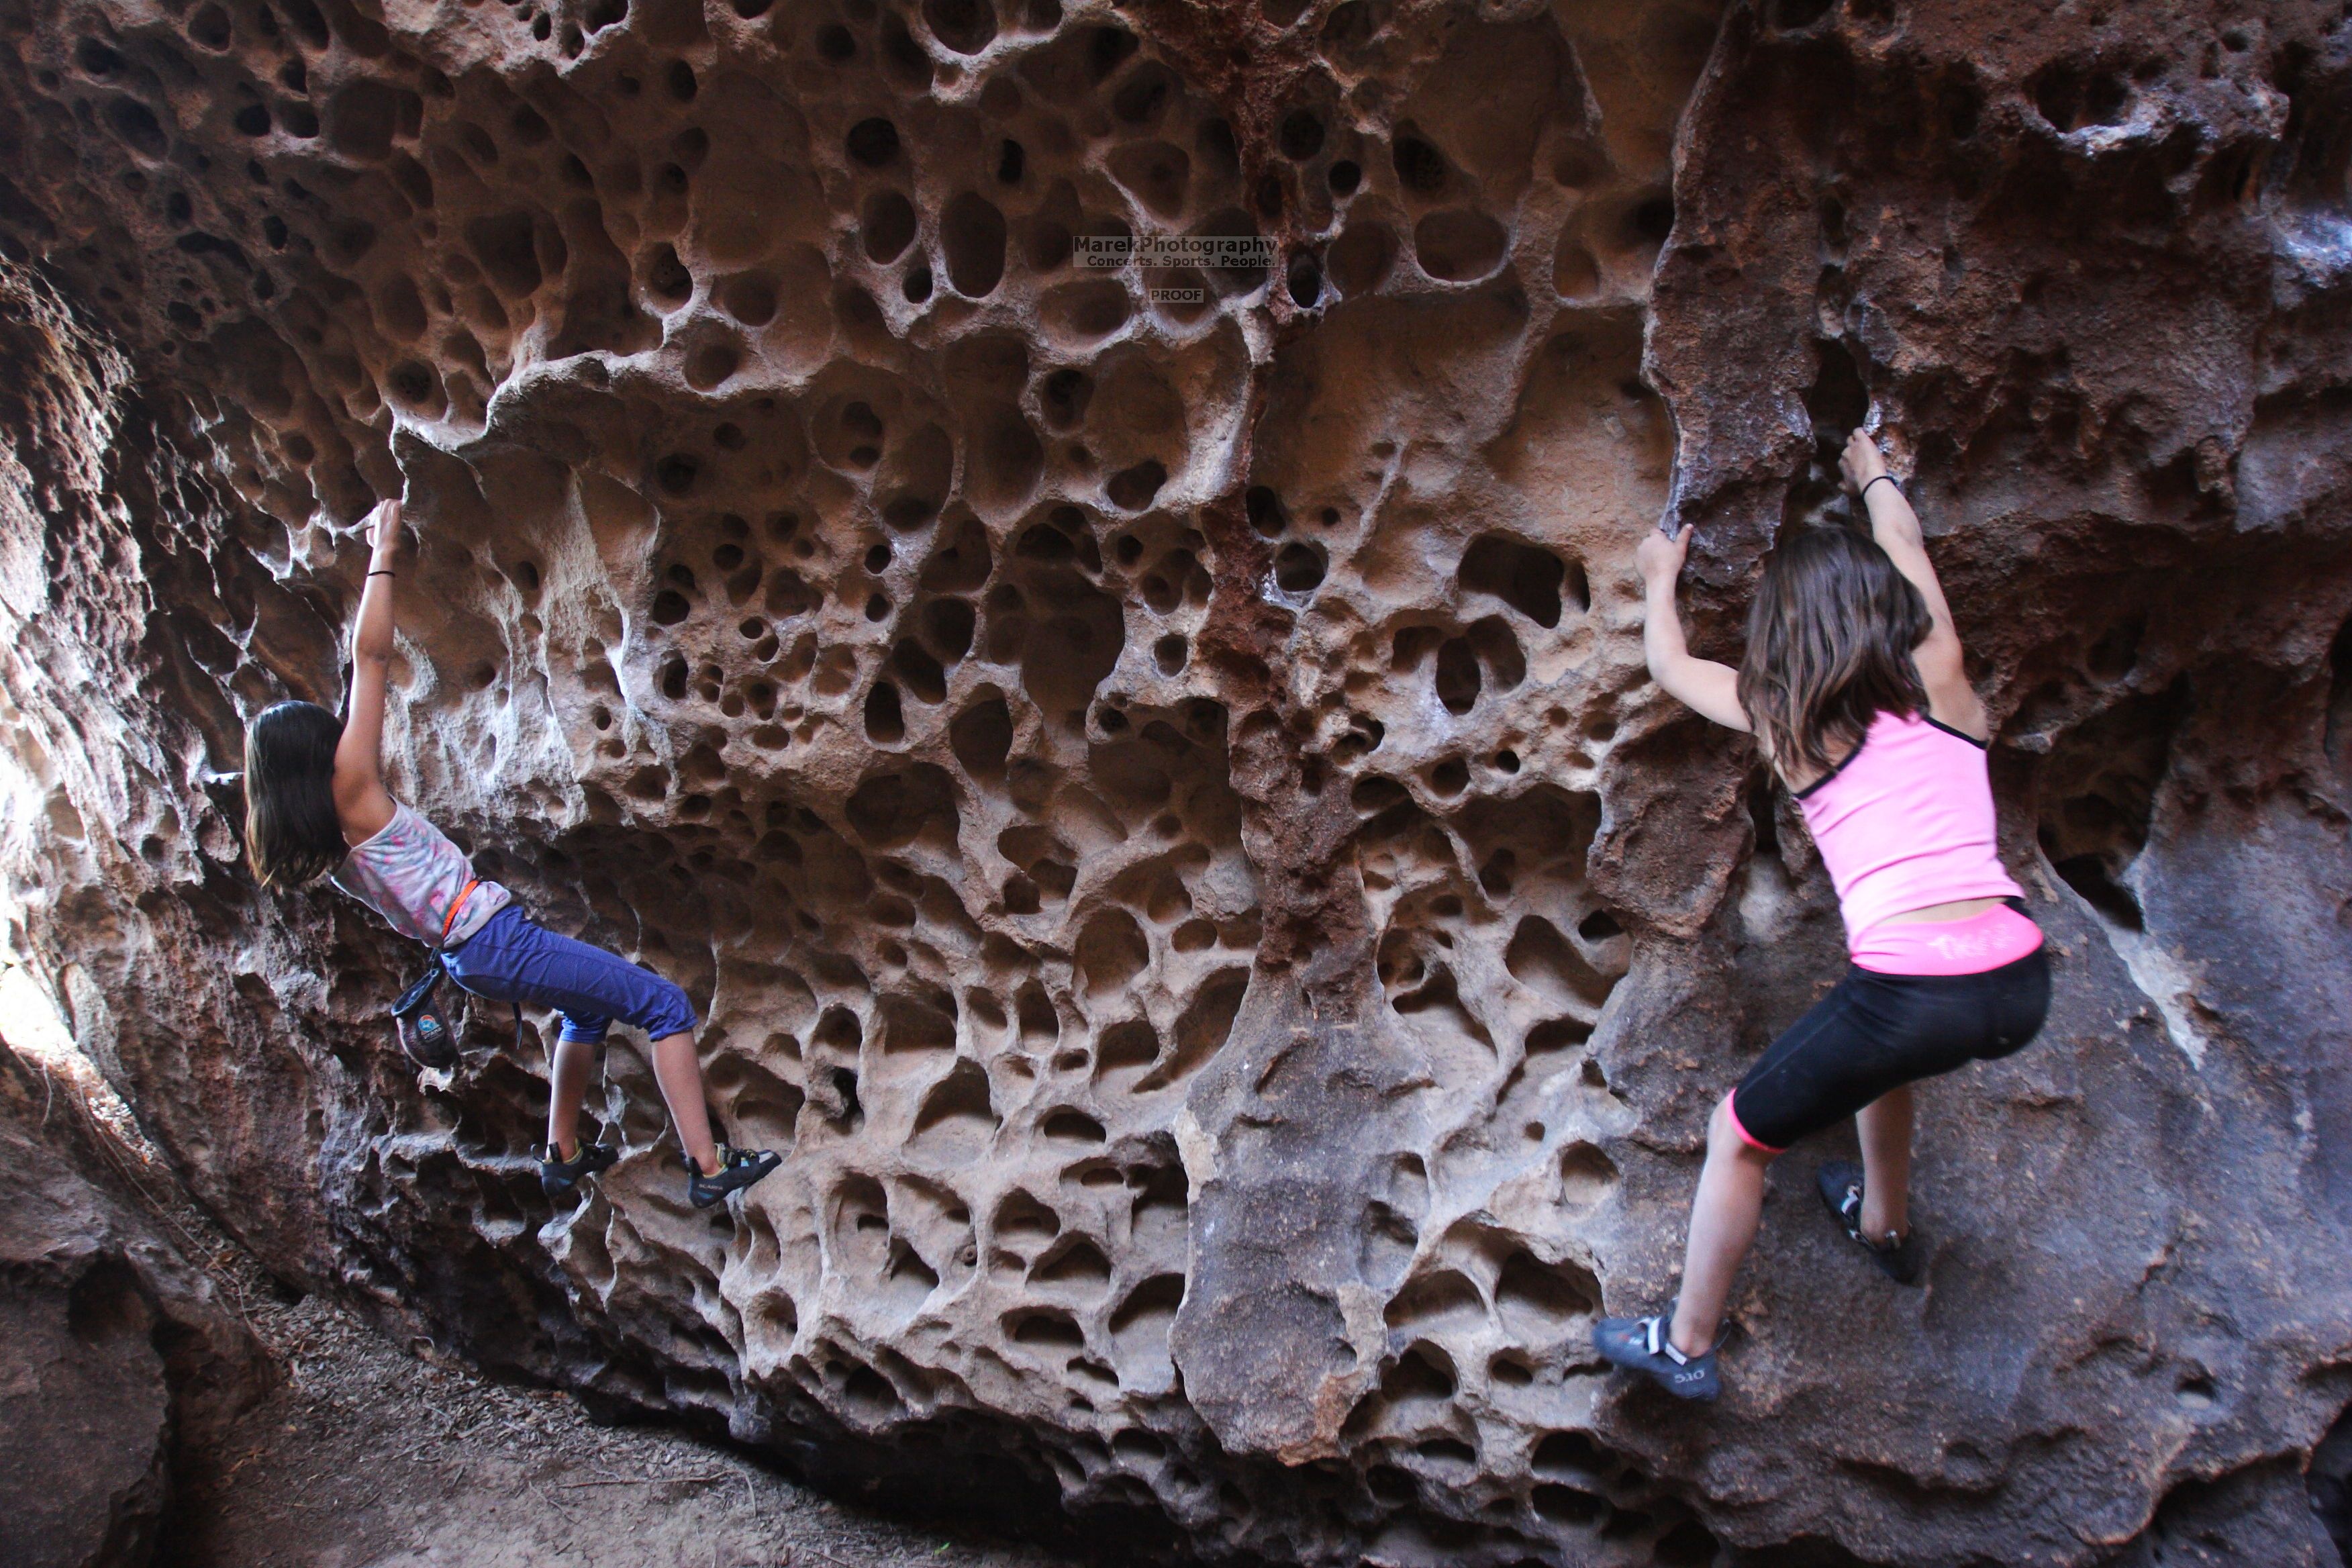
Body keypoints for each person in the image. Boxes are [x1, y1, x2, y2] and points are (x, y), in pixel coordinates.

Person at [1594, 430, 2051, 1402]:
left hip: (1914, 991)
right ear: (1888, 611)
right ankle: (1883, 1228)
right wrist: (1873, 472)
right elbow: (1907, 547)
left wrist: (1658, 578)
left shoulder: (1789, 724)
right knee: (1889, 1063)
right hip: (2018, 978)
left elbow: (1672, 668)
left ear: (1783, 637)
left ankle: (1685, 1346)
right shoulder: (1945, 679)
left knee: (1740, 1133)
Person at [241, 497, 782, 1212]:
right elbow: (370, 658)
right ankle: (708, 1165)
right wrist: (384, 549)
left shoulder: (323, 845)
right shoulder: (355, 793)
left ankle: (562, 1155)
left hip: (472, 957)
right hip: (493, 937)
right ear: (322, 756)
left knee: (587, 1013)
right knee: (664, 1003)